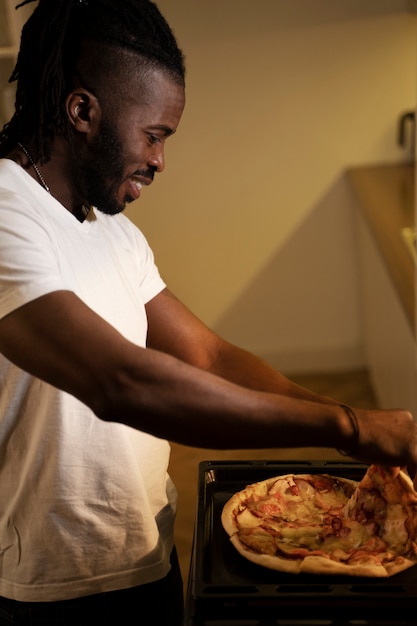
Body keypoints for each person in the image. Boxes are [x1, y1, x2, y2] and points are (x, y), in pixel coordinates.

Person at [0, 0, 415, 624]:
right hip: (48, 592)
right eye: (154, 135)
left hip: (146, 554)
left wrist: (342, 419)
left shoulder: (110, 231)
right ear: (82, 110)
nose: (160, 160)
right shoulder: (7, 214)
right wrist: (347, 427)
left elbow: (210, 357)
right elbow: (122, 382)